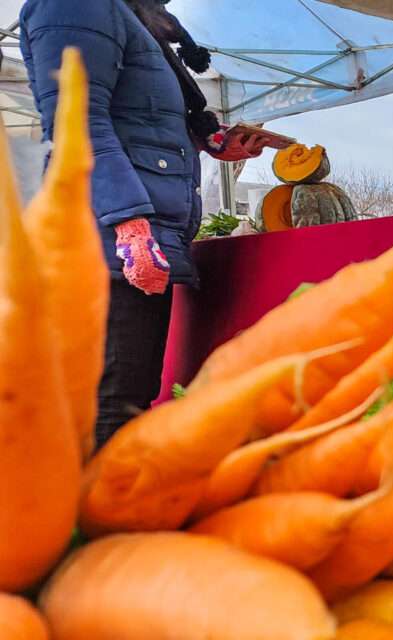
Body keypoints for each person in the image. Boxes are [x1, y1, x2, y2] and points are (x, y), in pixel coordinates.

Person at [20, 0, 269, 447]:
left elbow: (138, 118)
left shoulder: (129, 15)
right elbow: (76, 121)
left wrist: (212, 142)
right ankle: (86, 514)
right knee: (112, 406)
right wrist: (128, 223)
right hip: (105, 238)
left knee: (125, 399)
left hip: (126, 232)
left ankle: (99, 510)